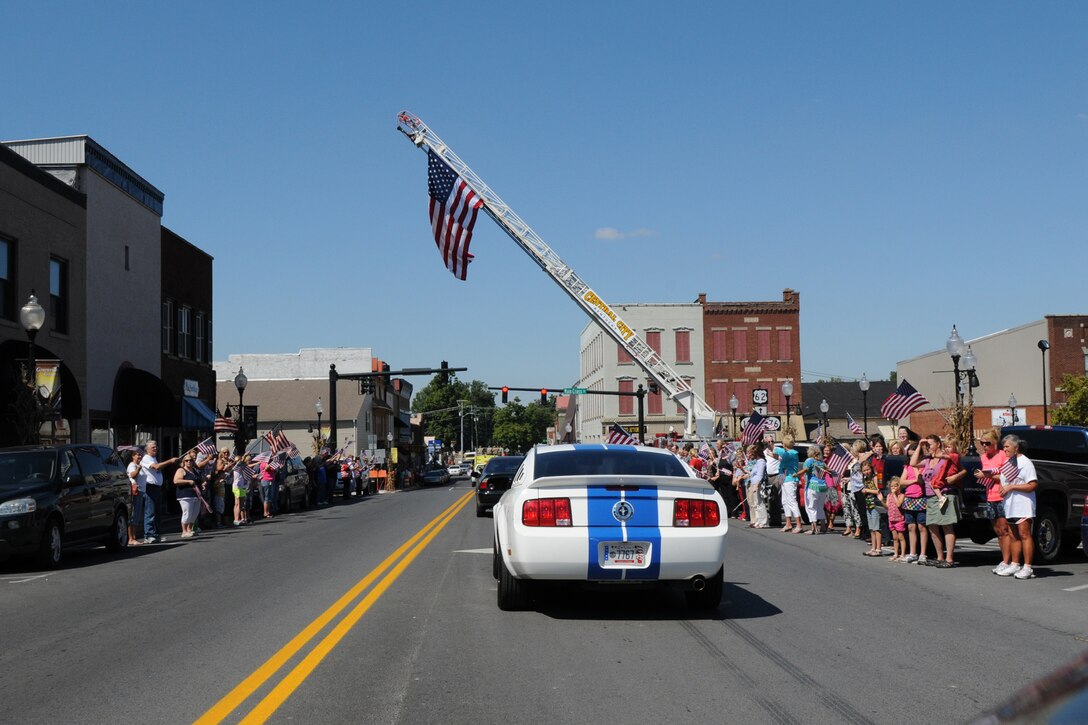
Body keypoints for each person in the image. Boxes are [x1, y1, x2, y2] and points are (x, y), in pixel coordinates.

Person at [996, 434, 1038, 579]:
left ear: (1016, 447)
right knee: (1013, 536)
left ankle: (1027, 567)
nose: (1004, 449)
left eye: (1007, 446)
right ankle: (1014, 564)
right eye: (1003, 446)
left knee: (1024, 534)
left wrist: (1012, 487)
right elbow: (1004, 481)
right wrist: (1003, 489)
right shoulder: (1009, 462)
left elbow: (1032, 484)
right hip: (1010, 505)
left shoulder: (1025, 463)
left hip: (1023, 504)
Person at [974, 428, 1012, 574]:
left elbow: (1006, 476)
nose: (984, 446)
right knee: (997, 531)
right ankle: (1004, 560)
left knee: (1004, 529)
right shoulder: (984, 457)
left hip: (1002, 496)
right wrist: (981, 475)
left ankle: (1008, 561)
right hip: (990, 496)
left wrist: (986, 475)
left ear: (995, 443)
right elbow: (987, 475)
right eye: (982, 443)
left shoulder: (1002, 455)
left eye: (987, 443)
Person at [140, 440, 178, 544]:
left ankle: (156, 534)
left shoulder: (153, 458)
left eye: (156, 447)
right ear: (147, 449)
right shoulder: (146, 458)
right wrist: (170, 461)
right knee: (150, 512)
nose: (155, 448)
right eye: (153, 447)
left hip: (157, 488)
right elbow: (156, 467)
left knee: (157, 512)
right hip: (150, 488)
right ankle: (149, 535)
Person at [770, 435, 803, 533]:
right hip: (784, 479)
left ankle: (799, 524)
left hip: (790, 479)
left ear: (785, 444)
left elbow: (781, 454)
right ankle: (788, 524)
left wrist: (772, 446)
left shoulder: (792, 453)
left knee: (792, 501)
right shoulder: (786, 454)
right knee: (784, 501)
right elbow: (780, 457)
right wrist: (772, 452)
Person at [899, 452, 927, 563]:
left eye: (914, 456)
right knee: (911, 527)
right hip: (909, 499)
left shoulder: (924, 467)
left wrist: (916, 468)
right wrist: (913, 481)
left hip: (921, 498)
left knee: (922, 527)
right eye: (910, 456)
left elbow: (920, 480)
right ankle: (912, 552)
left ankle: (923, 554)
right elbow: (901, 481)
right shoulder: (907, 467)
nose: (912, 458)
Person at [841, 440, 871, 539]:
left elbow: (861, 471)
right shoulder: (856, 459)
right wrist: (849, 479)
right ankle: (864, 531)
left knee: (863, 511)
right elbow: (855, 474)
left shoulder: (864, 457)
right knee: (860, 511)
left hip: (862, 487)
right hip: (855, 487)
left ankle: (867, 532)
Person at [739, 443, 768, 528]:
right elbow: (752, 473)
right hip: (753, 483)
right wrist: (745, 472)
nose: (751, 455)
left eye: (752, 453)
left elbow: (760, 475)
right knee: (756, 503)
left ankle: (763, 521)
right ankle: (758, 520)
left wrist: (757, 484)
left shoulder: (761, 462)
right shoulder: (757, 462)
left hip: (757, 484)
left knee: (760, 503)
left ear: (756, 453)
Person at [173, 453, 202, 538]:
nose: (189, 462)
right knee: (187, 513)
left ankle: (190, 529)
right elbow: (176, 481)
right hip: (185, 495)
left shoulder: (194, 470)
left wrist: (203, 483)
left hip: (196, 495)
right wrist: (188, 481)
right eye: (187, 460)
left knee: (195, 513)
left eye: (191, 460)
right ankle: (184, 531)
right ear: (184, 462)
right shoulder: (181, 470)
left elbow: (199, 480)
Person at [802, 445, 827, 534]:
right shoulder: (822, 462)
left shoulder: (809, 461)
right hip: (823, 486)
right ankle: (823, 526)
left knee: (811, 507)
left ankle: (814, 528)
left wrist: (797, 474)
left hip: (812, 485)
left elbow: (805, 470)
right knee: (820, 507)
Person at [861, 460, 884, 556]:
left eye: (868, 469)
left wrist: (867, 490)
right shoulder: (865, 479)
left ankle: (878, 548)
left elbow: (878, 491)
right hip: (868, 504)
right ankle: (873, 548)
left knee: (877, 527)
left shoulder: (875, 477)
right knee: (871, 528)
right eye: (864, 470)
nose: (866, 472)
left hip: (875, 504)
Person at [883, 476, 907, 561]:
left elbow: (898, 504)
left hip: (899, 519)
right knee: (895, 538)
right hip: (891, 518)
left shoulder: (901, 495)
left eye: (895, 486)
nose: (893, 488)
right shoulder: (889, 496)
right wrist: (882, 501)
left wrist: (894, 494)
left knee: (901, 537)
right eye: (892, 486)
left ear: (899, 486)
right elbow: (887, 507)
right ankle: (896, 553)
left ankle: (903, 554)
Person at [126, 449, 145, 546]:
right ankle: (131, 538)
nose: (140, 456)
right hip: (135, 492)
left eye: (140, 455)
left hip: (141, 492)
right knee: (133, 515)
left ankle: (134, 537)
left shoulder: (139, 465)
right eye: (138, 455)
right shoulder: (132, 465)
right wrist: (138, 469)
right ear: (133, 456)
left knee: (137, 515)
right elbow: (132, 475)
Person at [763, 436, 782, 528]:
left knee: (776, 497)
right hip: (769, 477)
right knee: (770, 498)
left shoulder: (778, 450)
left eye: (771, 441)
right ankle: (772, 519)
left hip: (777, 475)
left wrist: (772, 455)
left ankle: (777, 520)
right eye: (768, 442)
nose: (770, 443)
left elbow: (781, 459)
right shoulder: (764, 452)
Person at [232, 454, 253, 526]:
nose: (238, 462)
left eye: (239, 460)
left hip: (242, 487)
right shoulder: (236, 467)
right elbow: (242, 461)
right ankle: (236, 519)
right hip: (236, 487)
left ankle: (240, 519)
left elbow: (245, 464)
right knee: (237, 503)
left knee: (241, 504)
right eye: (237, 461)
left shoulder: (242, 467)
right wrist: (245, 455)